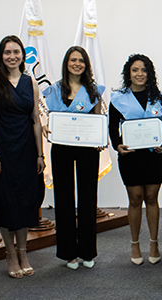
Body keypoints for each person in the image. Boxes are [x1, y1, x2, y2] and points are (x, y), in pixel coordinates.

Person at [0, 35, 45, 279]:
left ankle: (23, 252)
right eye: (7, 52)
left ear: (22, 55)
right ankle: (9, 253)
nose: (12, 56)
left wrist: (40, 154)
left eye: (16, 52)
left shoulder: (31, 82)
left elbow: (36, 121)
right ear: (1, 55)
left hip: (27, 151)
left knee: (25, 202)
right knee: (6, 203)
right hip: (3, 151)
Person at [42, 46, 106, 270]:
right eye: (73, 60)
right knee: (64, 198)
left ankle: (88, 251)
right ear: (66, 63)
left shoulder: (94, 90)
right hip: (61, 148)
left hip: (87, 148)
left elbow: (98, 117)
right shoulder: (53, 90)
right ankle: (68, 252)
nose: (77, 64)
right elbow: (46, 117)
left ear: (86, 64)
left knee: (88, 198)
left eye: (81, 60)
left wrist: (100, 138)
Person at [109, 54, 162, 266]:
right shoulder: (118, 98)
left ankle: (154, 243)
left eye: (144, 70)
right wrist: (117, 145)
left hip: (154, 155)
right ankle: (134, 243)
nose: (139, 74)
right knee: (135, 198)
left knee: (152, 197)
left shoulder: (160, 98)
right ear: (128, 73)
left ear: (149, 73)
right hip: (130, 155)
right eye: (135, 70)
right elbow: (112, 127)